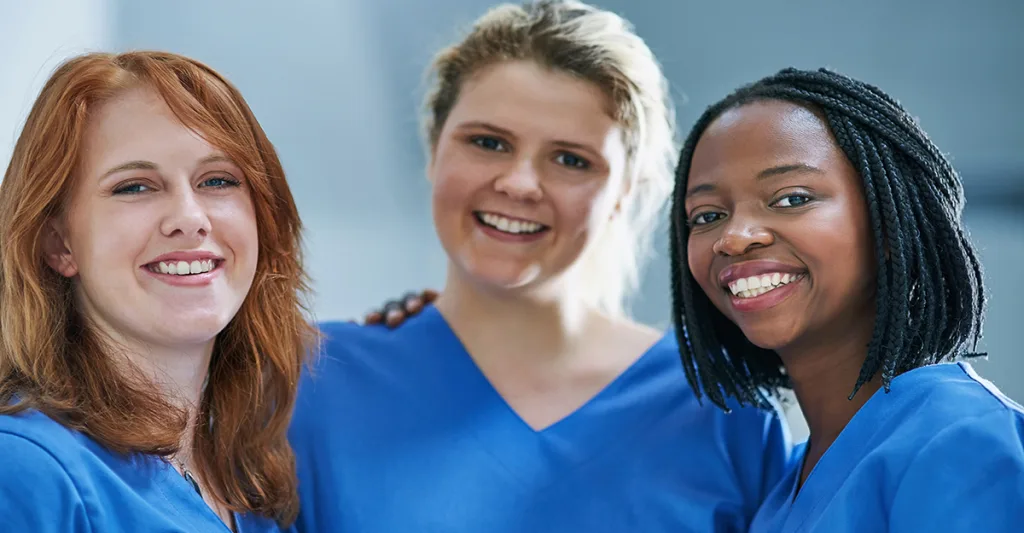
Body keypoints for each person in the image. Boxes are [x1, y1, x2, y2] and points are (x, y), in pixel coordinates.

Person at [289, 2, 792, 532]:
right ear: (435, 148)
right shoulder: (305, 384)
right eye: (488, 143)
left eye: (571, 159)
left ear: (624, 191)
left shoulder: (725, 409)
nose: (520, 183)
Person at [671, 67, 1024, 531]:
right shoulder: (781, 493)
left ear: (890, 227)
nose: (734, 238)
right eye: (708, 215)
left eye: (791, 198)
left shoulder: (961, 439)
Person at [0, 51, 315, 532]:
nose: (190, 218)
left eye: (217, 180)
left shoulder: (248, 484)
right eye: (135, 187)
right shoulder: (25, 471)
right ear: (58, 243)